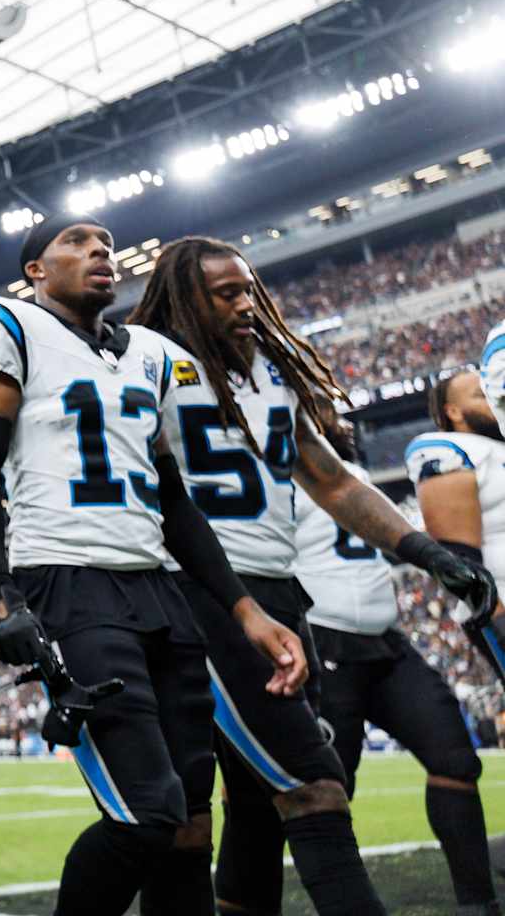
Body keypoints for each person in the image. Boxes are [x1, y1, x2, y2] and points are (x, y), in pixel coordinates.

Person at [128, 236, 497, 915]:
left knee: (251, 811)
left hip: (278, 592)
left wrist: (426, 551)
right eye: (227, 293)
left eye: (249, 289)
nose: (248, 304)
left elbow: (330, 480)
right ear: (184, 297)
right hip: (203, 594)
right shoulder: (147, 357)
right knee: (314, 786)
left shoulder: (267, 369)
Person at [0, 219, 307, 916]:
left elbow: (174, 499)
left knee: (183, 823)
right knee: (147, 813)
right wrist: (0, 596)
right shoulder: (5, 326)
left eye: (107, 244)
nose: (100, 252)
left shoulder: (151, 353)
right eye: (77, 242)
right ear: (35, 271)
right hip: (69, 578)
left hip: (156, 584)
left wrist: (245, 610)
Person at [296, 409, 501, 916]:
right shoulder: (280, 475)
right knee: (328, 793)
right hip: (326, 641)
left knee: (455, 760)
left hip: (386, 642)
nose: (334, 416)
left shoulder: (355, 477)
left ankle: (478, 904)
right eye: (318, 409)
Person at [419, 365, 505, 685]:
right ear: (453, 411)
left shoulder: (497, 450)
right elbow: (455, 558)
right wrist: (495, 617)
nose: (491, 399)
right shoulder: (448, 452)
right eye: (479, 395)